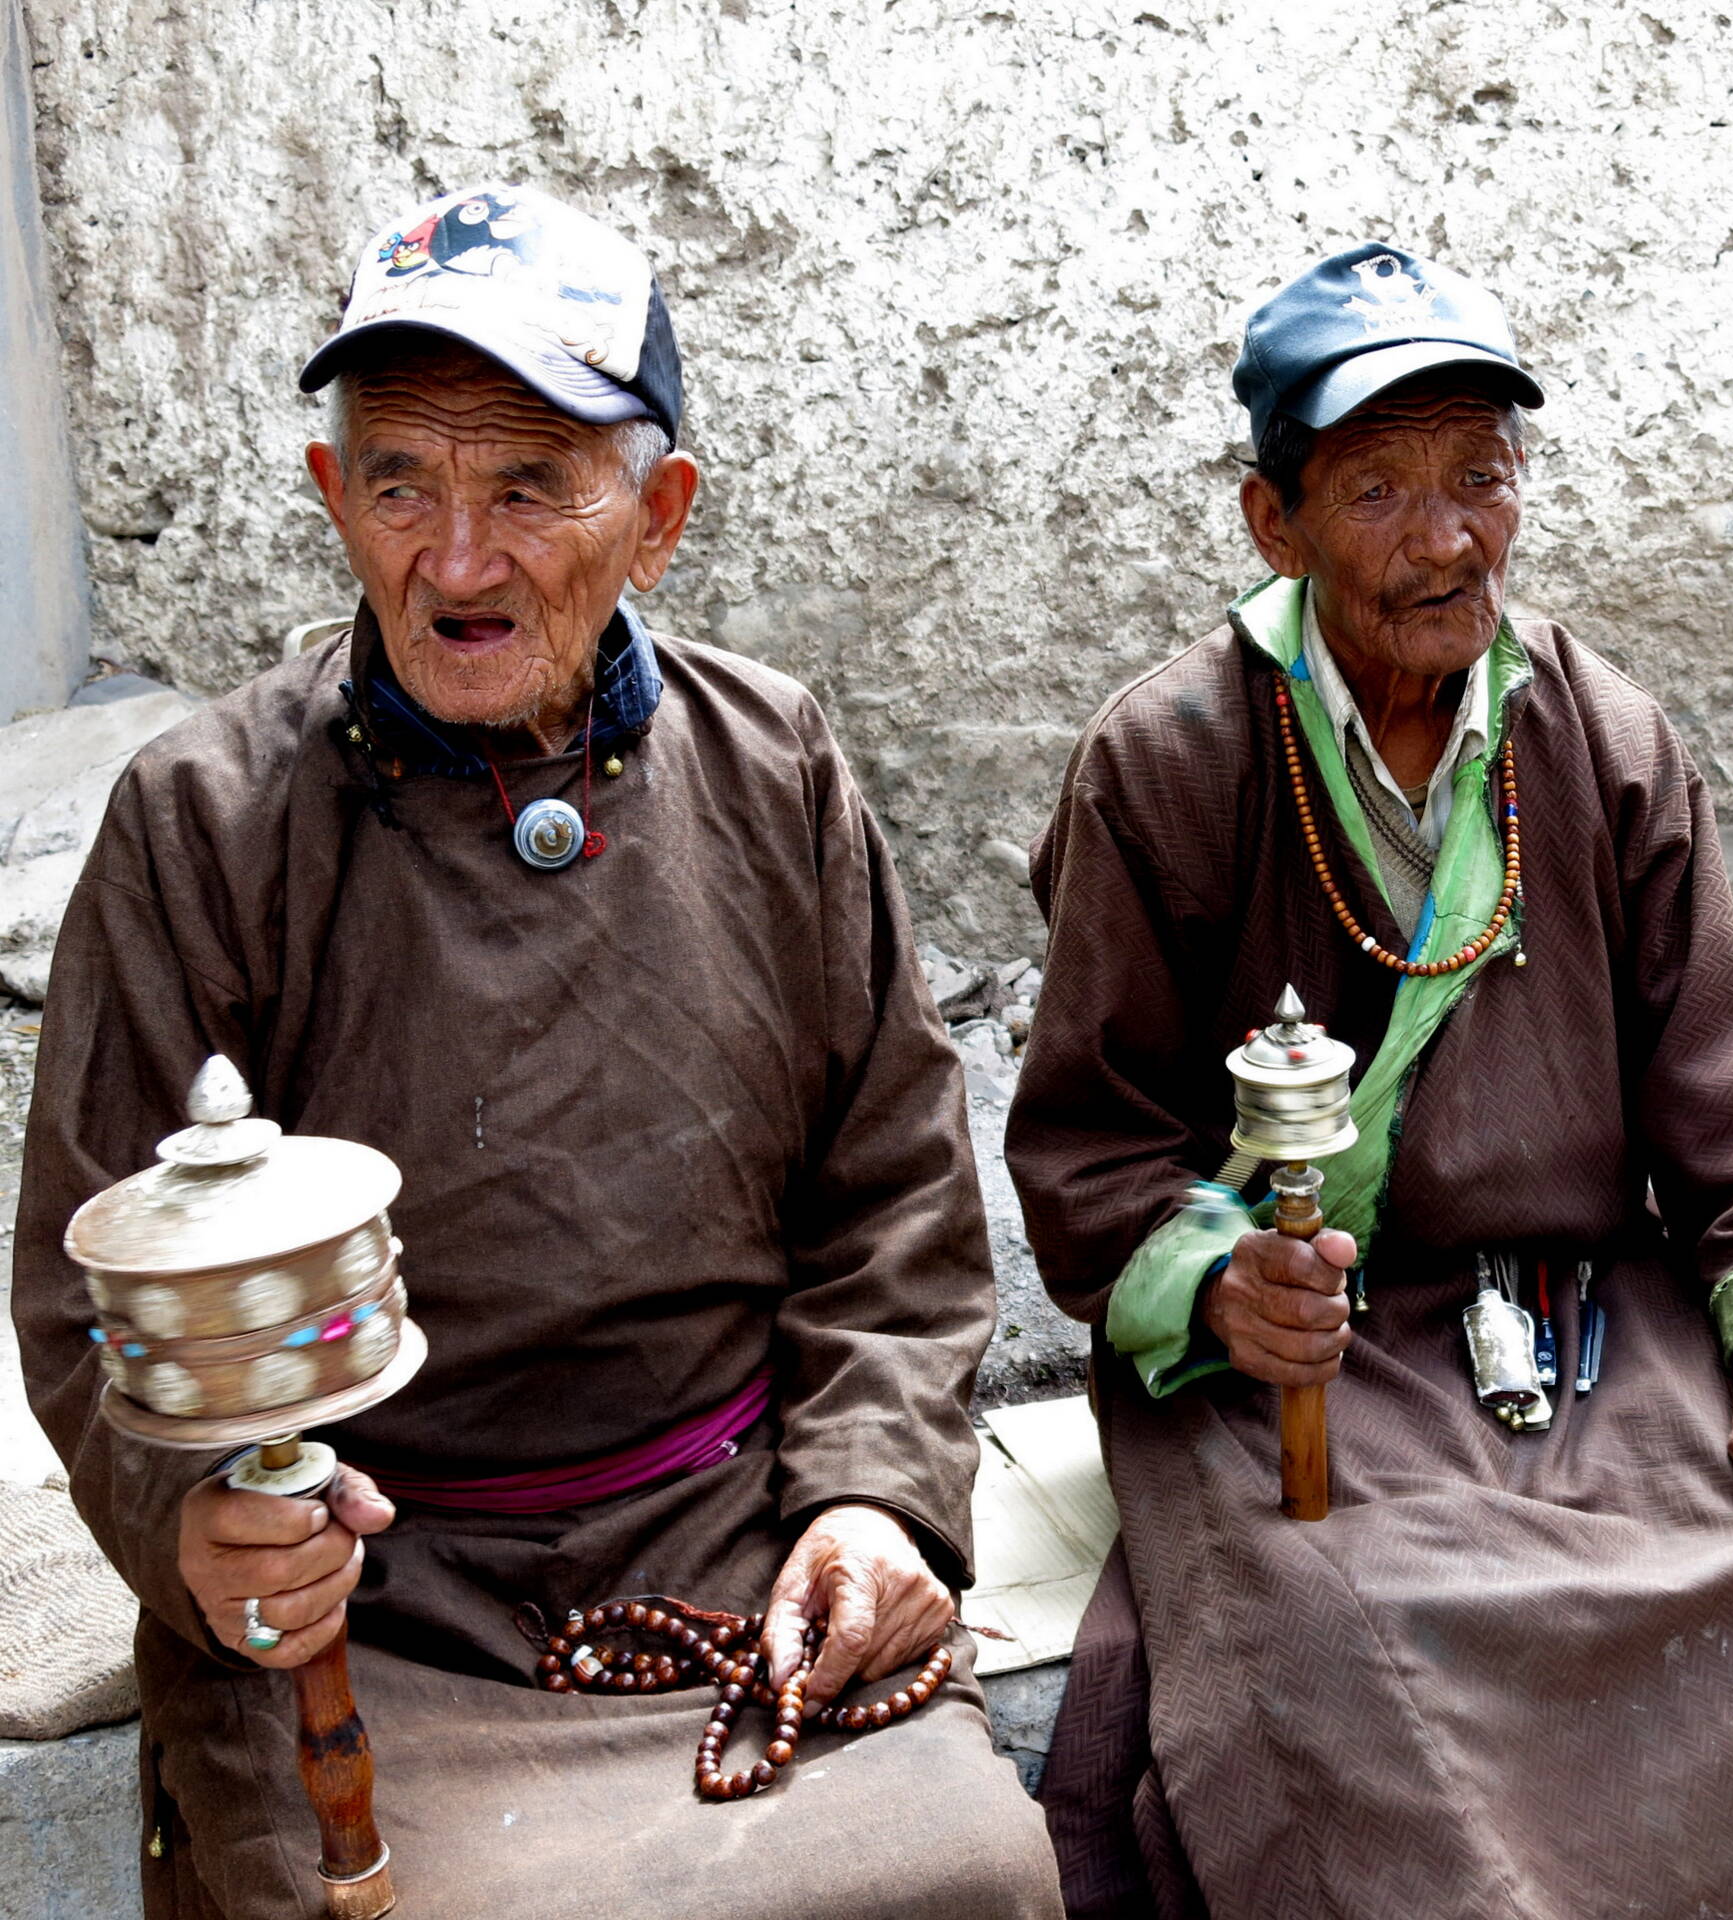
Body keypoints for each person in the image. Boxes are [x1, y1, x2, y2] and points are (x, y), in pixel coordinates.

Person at [12, 183, 1062, 1918]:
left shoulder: (774, 765)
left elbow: (893, 1204)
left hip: (732, 1549)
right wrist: (202, 1518)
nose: (457, 558)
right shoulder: (205, 818)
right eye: (404, 485)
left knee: (969, 1870)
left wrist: (873, 1503)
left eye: (526, 486)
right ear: (331, 498)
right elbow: (93, 1286)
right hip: (365, 1586)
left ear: (657, 518)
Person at [1006, 241, 1733, 1919]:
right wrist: (1218, 1288)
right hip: (1312, 1347)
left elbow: (1732, 1101)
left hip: (1585, 1321)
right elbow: (1088, 1145)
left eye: (1483, 481)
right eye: (1380, 489)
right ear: (1270, 523)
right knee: (1366, 1660)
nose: (1448, 537)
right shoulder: (1177, 753)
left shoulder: (1606, 733)